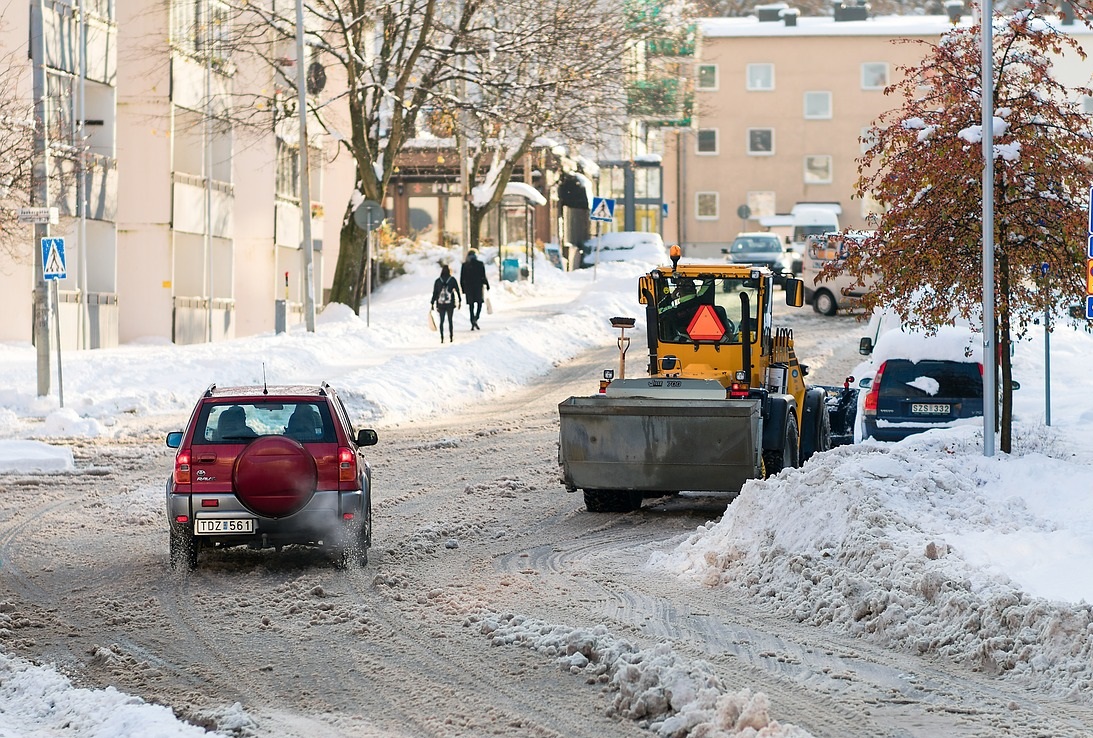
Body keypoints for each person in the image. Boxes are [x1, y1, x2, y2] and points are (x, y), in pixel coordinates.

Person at [459, 249, 490, 330]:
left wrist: (463, 289)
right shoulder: (480, 264)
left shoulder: (465, 265)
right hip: (478, 287)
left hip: (469, 288)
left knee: (471, 305)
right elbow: (483, 276)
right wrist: (487, 285)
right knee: (479, 303)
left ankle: (472, 320)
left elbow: (462, 278)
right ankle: (476, 318)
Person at [430, 264, 461, 343]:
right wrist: (460, 300)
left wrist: (432, 303)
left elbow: (435, 293)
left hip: (440, 304)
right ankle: (451, 336)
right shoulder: (452, 279)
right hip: (450, 303)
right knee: (450, 320)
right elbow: (457, 290)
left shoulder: (438, 281)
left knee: (442, 321)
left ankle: (442, 337)